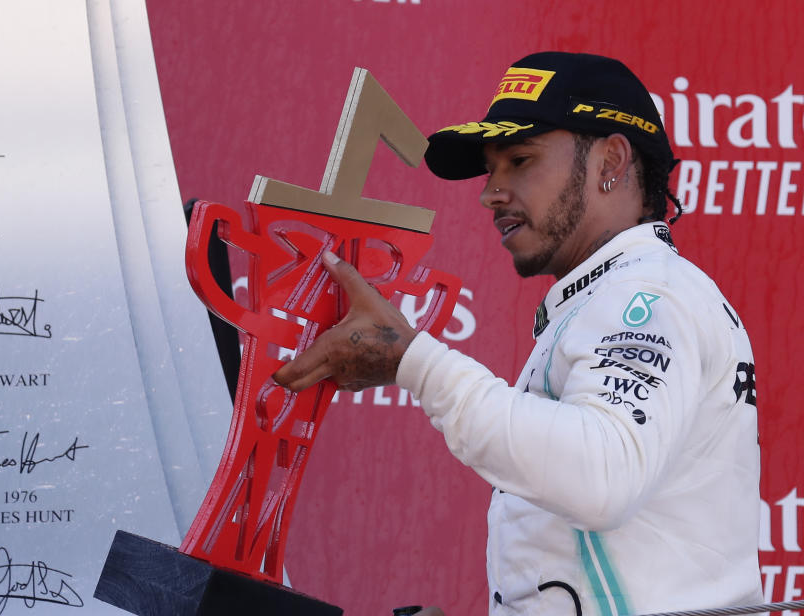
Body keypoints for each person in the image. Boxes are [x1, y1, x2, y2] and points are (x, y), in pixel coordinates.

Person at [274, 52, 762, 616]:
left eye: (520, 160)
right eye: (491, 169)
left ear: (611, 159)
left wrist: (414, 363)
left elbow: (601, 477)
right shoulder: (617, 292)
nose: (491, 193)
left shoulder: (647, 296)